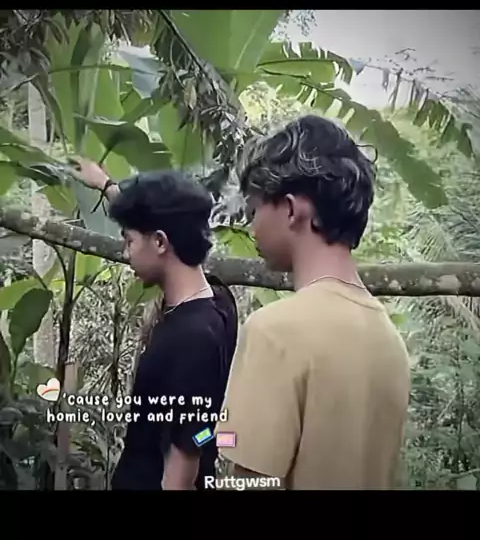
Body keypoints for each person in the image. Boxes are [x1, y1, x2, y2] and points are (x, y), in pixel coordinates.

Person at [215, 115, 411, 490]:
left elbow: (251, 483)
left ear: (291, 209)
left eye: (255, 209)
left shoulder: (275, 331)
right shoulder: (389, 339)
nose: (252, 226)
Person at [73, 159, 238, 490]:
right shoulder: (218, 302)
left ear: (161, 242)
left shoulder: (191, 339)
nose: (126, 253)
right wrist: (107, 186)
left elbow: (182, 465)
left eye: (129, 241)